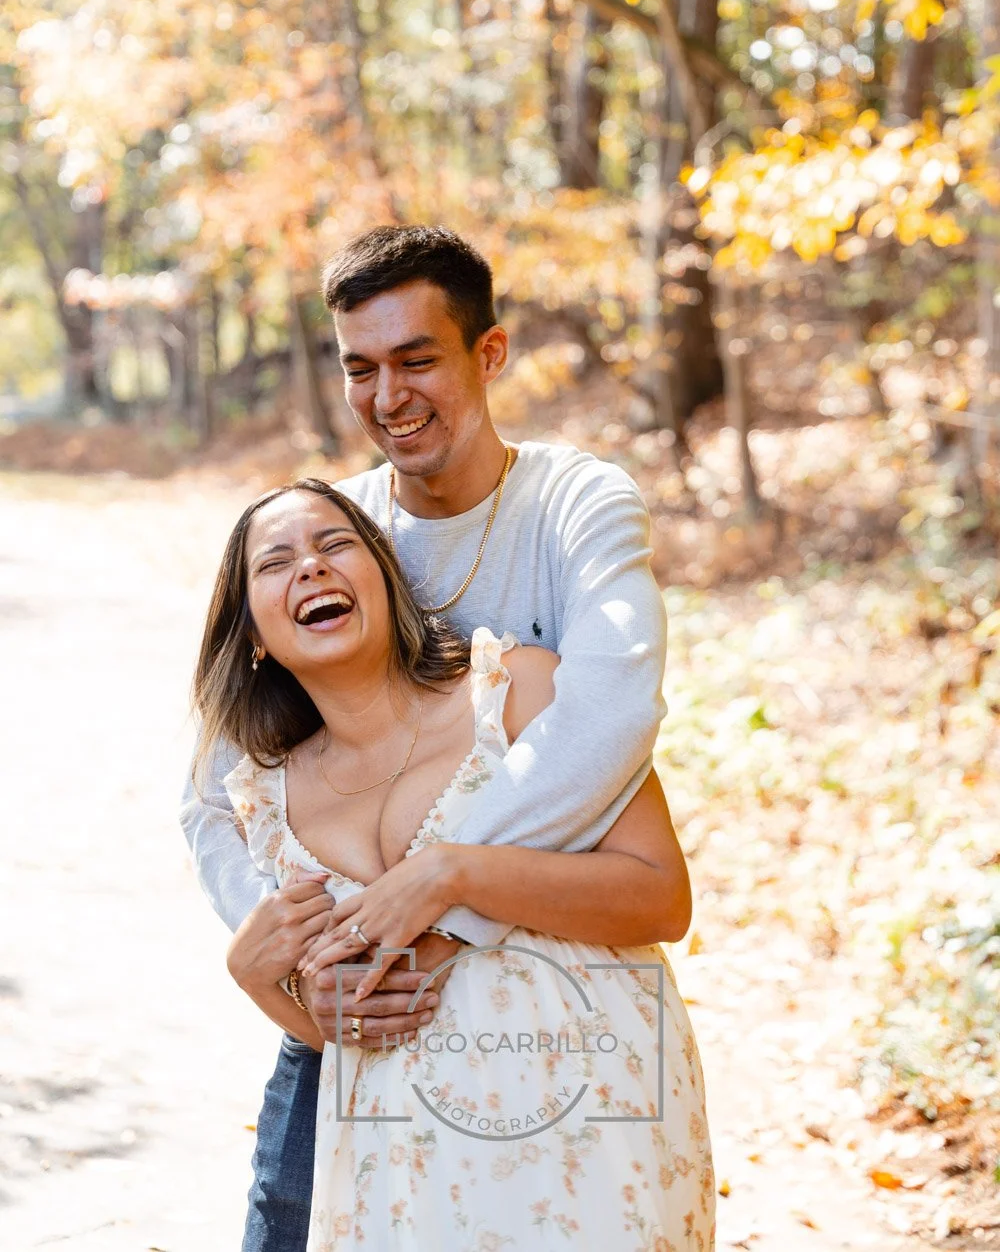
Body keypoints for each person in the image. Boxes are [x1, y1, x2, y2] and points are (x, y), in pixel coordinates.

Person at [180, 225, 683, 1250]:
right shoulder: (337, 535)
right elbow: (214, 796)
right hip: (367, 1020)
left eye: (417, 359)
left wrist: (436, 896)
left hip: (544, 1014)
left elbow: (613, 709)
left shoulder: (572, 505)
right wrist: (306, 956)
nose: (388, 395)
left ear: (487, 355)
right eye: (361, 368)